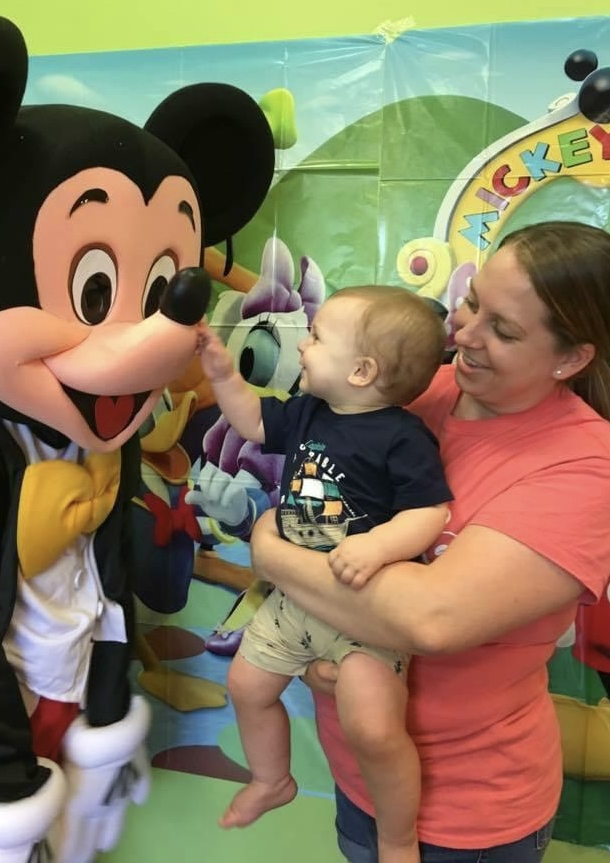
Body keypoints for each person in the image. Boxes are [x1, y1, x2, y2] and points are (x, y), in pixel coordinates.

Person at [247, 220, 610, 863]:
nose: (463, 334)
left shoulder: (584, 468)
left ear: (571, 358)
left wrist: (271, 550)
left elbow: (431, 618)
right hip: (357, 776)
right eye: (472, 302)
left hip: (466, 816)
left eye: (503, 329)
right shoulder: (421, 394)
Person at [197, 285, 452, 862]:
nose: (303, 348)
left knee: (374, 728)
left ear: (361, 371)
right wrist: (220, 375)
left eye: (315, 338)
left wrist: (380, 546)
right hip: (295, 599)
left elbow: (430, 510)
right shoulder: (308, 410)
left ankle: (396, 836)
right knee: (246, 685)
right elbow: (252, 422)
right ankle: (271, 780)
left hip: (364, 616)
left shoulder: (403, 437)